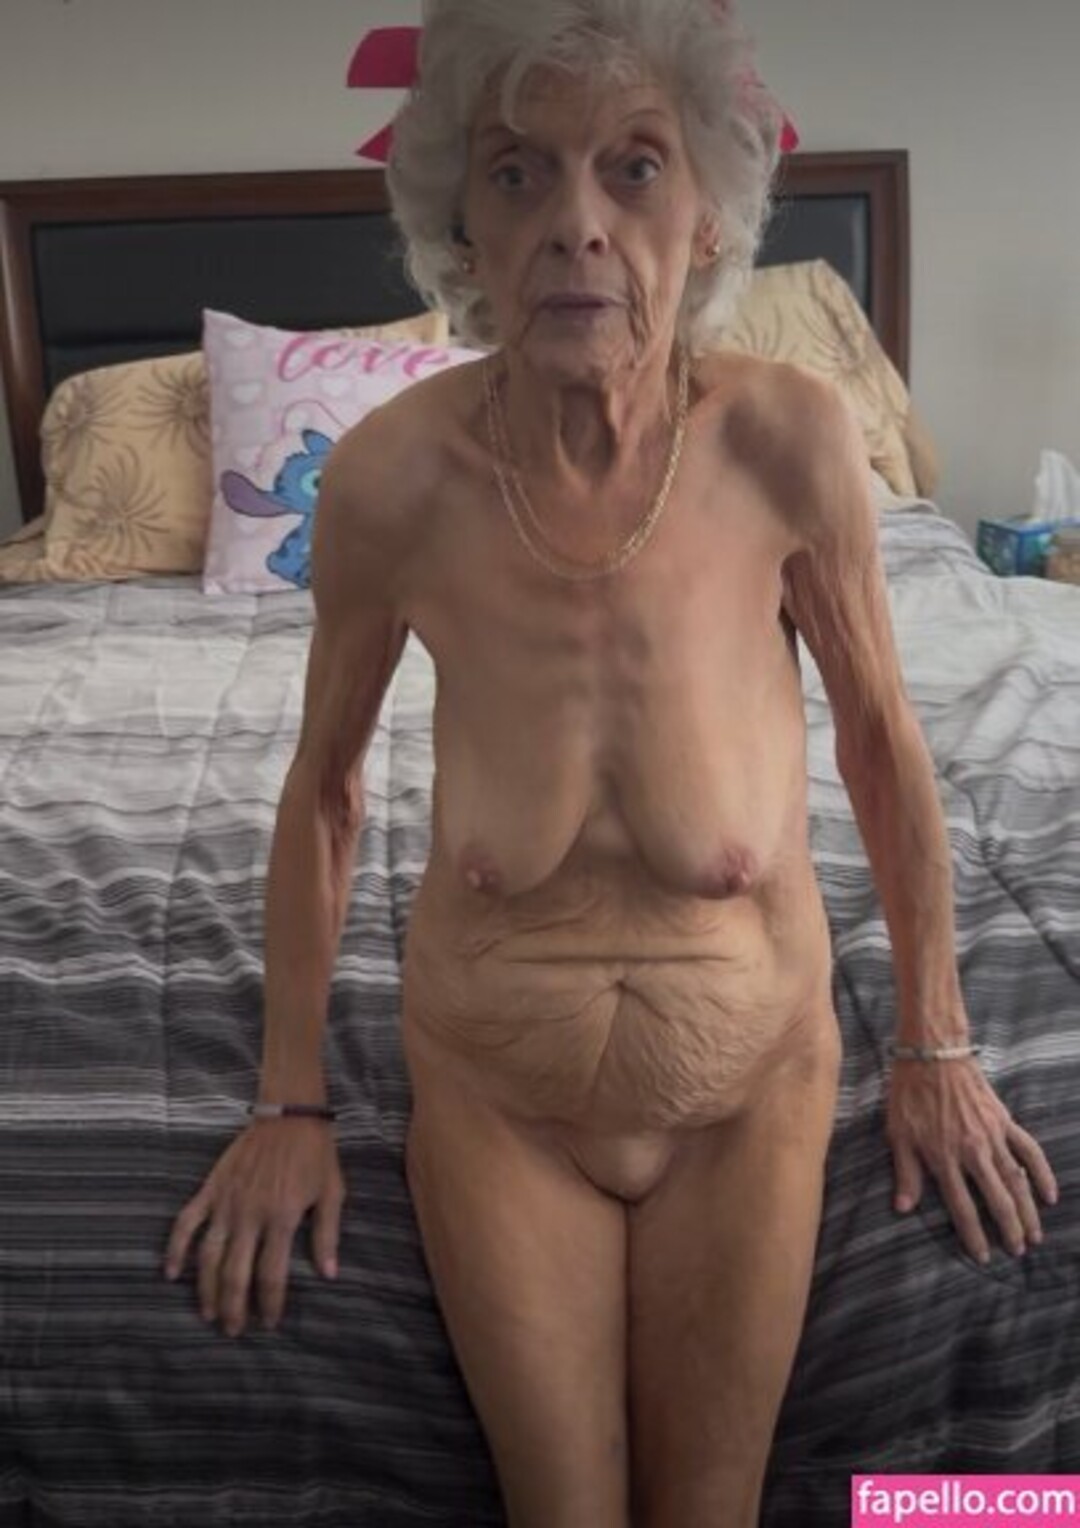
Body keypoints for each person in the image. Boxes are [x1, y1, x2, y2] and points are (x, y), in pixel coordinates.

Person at [164, 2, 1059, 1524]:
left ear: (705, 215)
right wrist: (288, 1105)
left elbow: (880, 740)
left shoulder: (792, 440)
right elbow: (323, 791)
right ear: (463, 219)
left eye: (632, 167)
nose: (575, 222)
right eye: (518, 173)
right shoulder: (387, 481)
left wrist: (937, 1043)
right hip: (497, 1101)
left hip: (752, 1090)